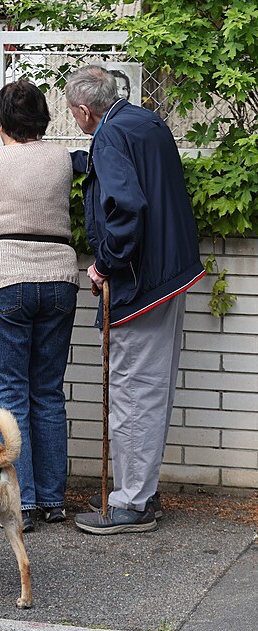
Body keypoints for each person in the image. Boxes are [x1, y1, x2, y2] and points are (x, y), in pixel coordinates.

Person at [65, 65, 205, 534]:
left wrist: (104, 264)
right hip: (169, 273)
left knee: (132, 391)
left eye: (73, 114)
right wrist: (78, 163)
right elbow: (142, 181)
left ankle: (130, 502)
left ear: (85, 110)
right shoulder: (145, 122)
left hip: (139, 281)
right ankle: (138, 489)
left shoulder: (107, 137)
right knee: (151, 387)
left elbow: (127, 209)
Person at [0, 79, 79, 532]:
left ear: (0, 120)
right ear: (43, 119)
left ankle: (20, 503)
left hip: (4, 279)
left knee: (10, 393)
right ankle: (52, 500)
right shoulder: (61, 161)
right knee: (47, 391)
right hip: (57, 278)